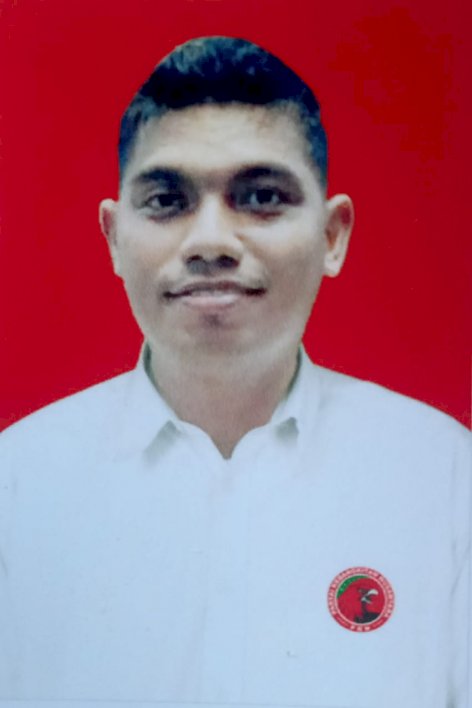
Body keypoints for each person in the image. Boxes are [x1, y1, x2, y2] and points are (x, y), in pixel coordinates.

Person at [0, 36, 470, 708]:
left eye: (261, 196)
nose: (211, 242)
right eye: (167, 200)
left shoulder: (444, 480)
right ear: (114, 238)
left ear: (332, 236)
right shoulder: (17, 486)